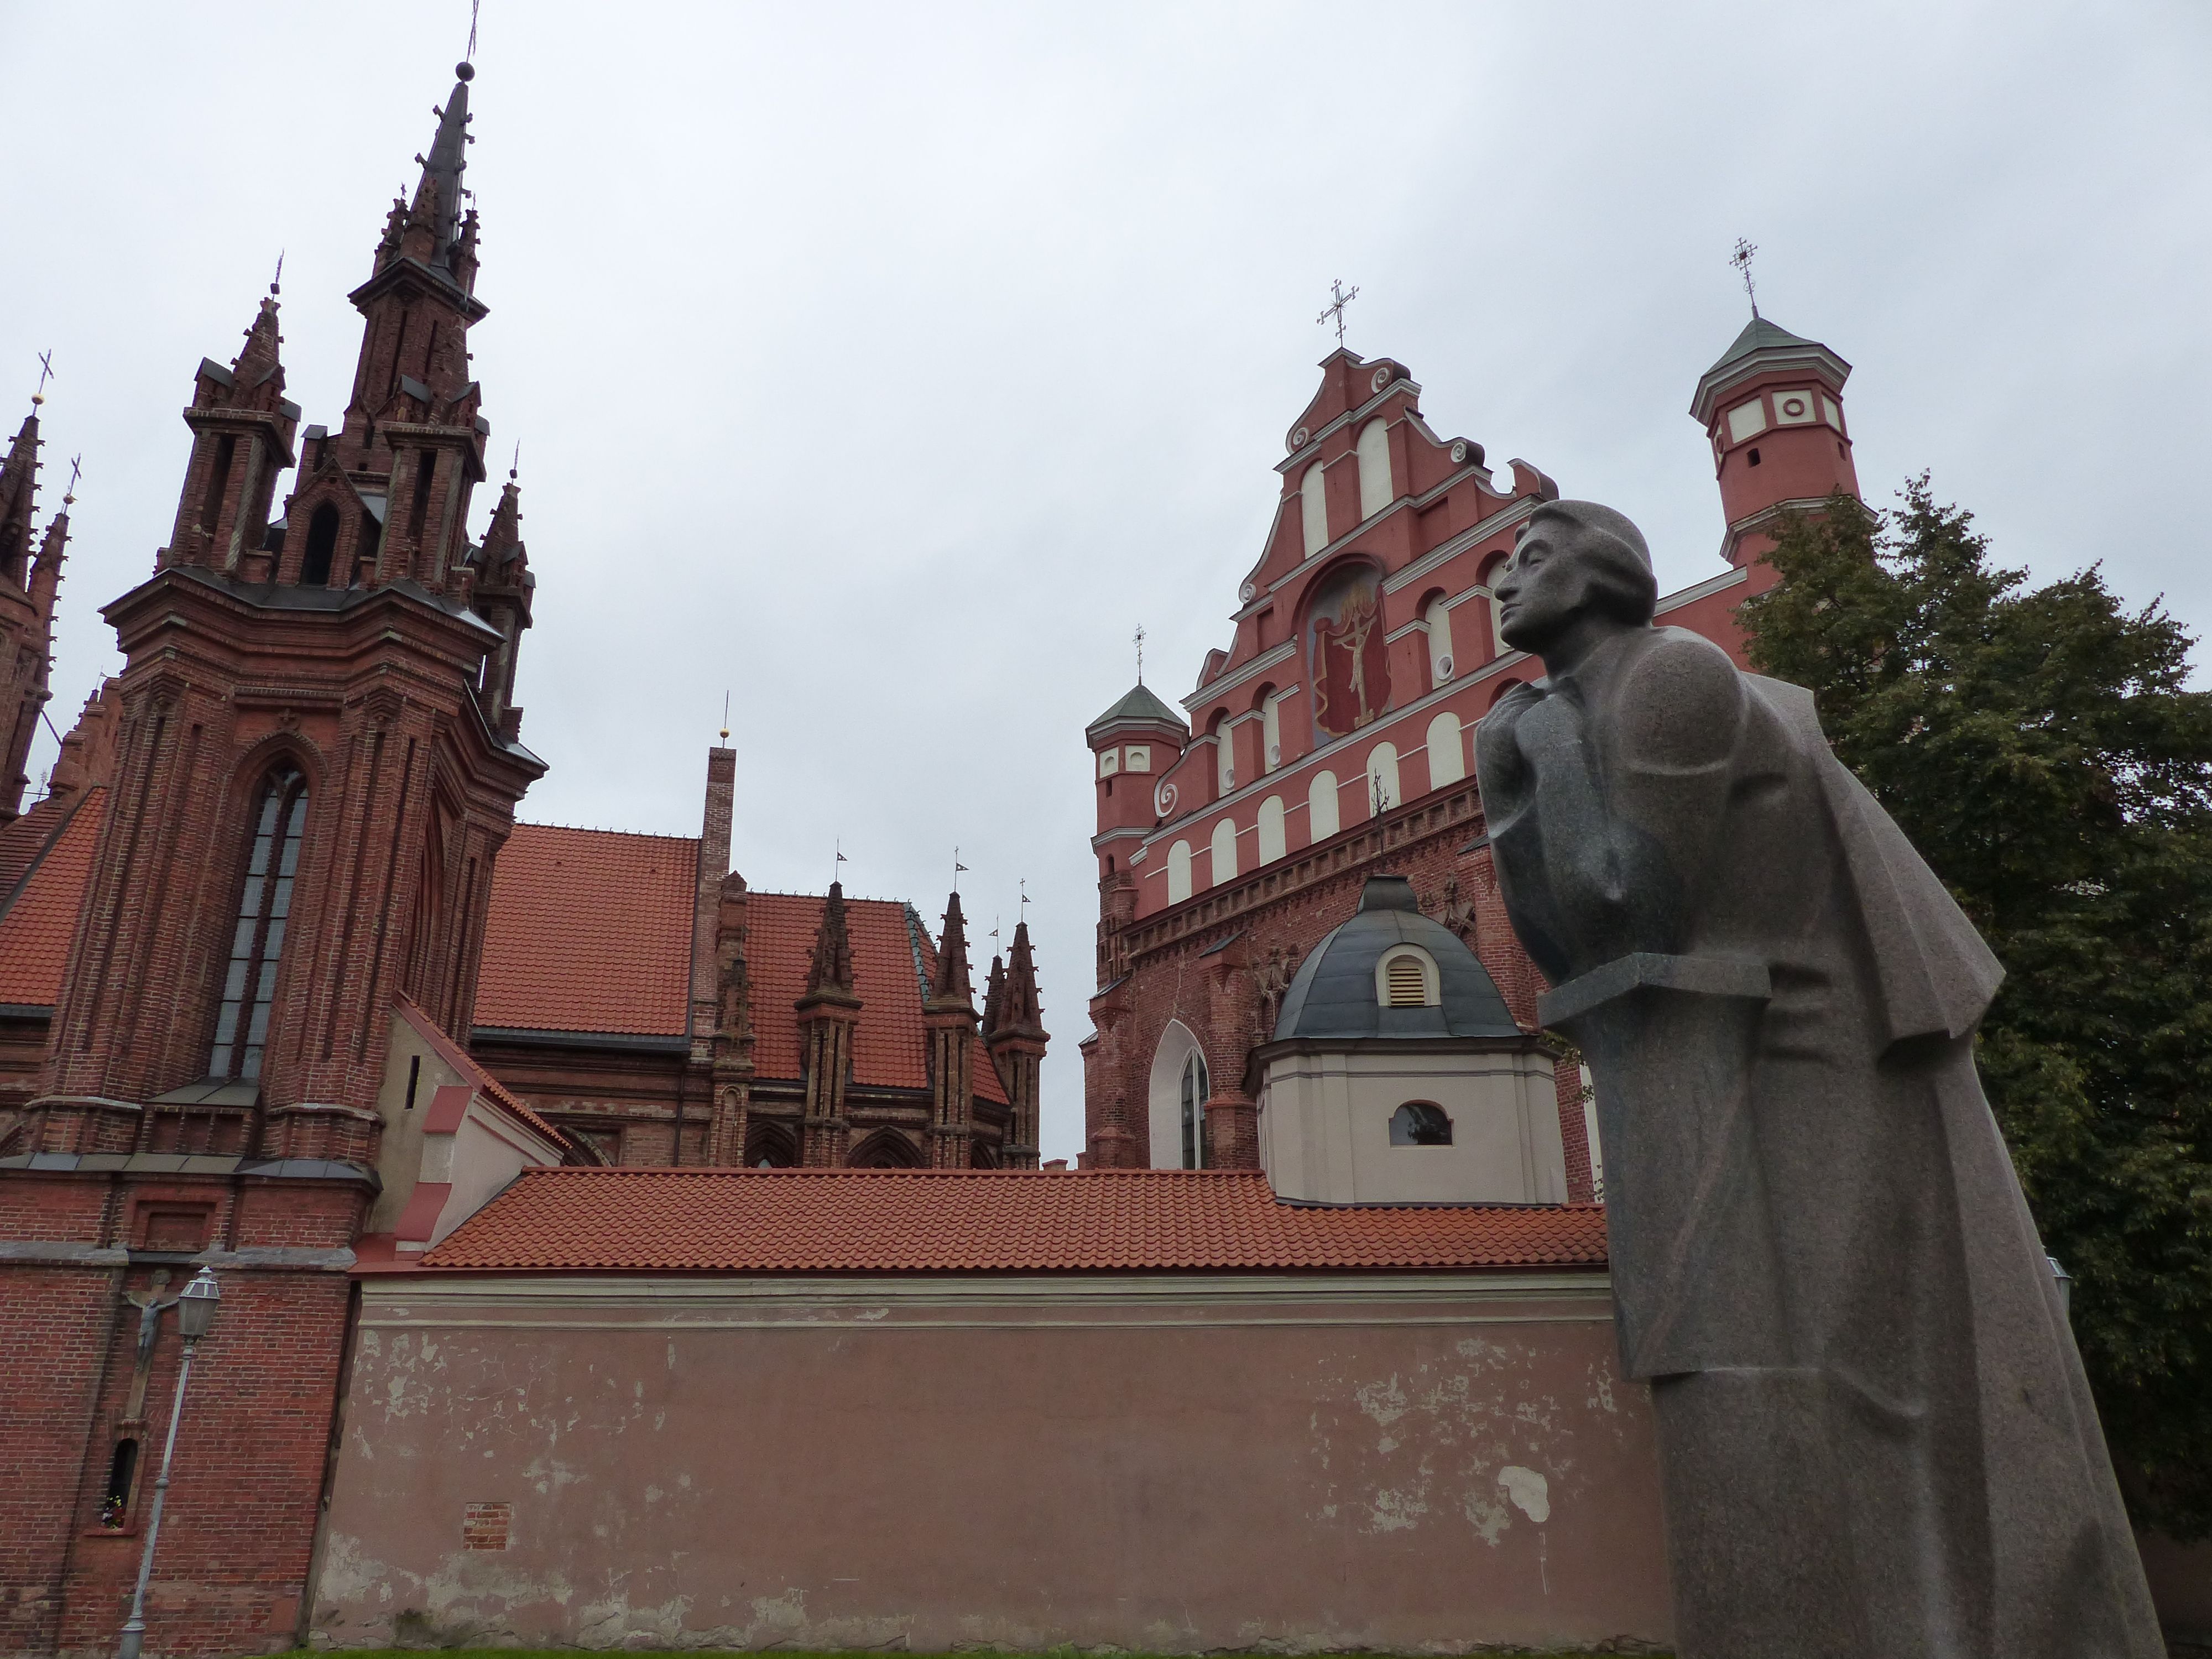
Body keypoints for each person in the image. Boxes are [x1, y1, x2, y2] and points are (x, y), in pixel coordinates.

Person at [1473, 500, 2159, 1658]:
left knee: (1829, 1376)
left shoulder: (1669, 676)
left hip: (1802, 1062)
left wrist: (1531, 751)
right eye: (1497, 567)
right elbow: (1577, 951)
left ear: (1603, 576)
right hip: (1696, 1055)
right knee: (1761, 1377)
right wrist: (1521, 765)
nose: (1497, 586)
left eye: (1529, 560)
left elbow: (1625, 905)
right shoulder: (1578, 702)